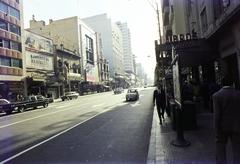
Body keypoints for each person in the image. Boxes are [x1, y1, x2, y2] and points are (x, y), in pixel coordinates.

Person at [212, 76, 240, 164]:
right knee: (237, 150)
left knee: (220, 150)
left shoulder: (216, 96)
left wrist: (216, 130)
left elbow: (217, 115)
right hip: (237, 126)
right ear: (233, 84)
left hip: (222, 127)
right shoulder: (238, 94)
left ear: (222, 84)